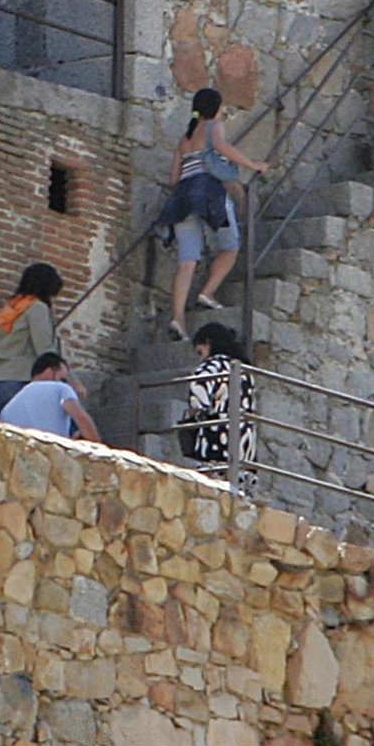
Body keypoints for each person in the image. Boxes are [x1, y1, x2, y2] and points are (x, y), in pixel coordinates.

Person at [155, 88, 268, 343]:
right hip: (210, 197)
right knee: (230, 247)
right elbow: (221, 146)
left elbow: (173, 179)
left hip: (182, 201)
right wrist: (254, 165)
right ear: (215, 108)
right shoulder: (213, 126)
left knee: (187, 262)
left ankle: (178, 319)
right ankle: (207, 292)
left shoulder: (184, 138)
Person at [183, 322, 257, 494]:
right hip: (245, 446)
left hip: (217, 440)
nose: (201, 358)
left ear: (208, 343)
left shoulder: (213, 366)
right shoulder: (246, 371)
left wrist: (194, 414)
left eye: (200, 352)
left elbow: (198, 394)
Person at [0, 263, 64, 420]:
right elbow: (45, 350)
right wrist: (69, 380)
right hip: (21, 383)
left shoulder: (13, 307)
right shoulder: (37, 308)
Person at [0, 352, 100, 443]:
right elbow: (81, 419)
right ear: (49, 371)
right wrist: (98, 449)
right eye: (63, 379)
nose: (64, 383)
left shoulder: (7, 409)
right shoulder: (61, 388)